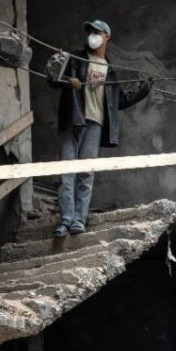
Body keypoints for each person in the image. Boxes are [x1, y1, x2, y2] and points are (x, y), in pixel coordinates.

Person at [50, 19, 151, 237]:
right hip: (72, 120)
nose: (92, 35)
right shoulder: (76, 58)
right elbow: (54, 79)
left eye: (97, 32)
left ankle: (79, 220)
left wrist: (144, 90)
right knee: (67, 173)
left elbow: (119, 101)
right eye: (90, 32)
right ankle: (65, 220)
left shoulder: (110, 70)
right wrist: (70, 81)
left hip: (95, 124)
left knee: (86, 174)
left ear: (107, 36)